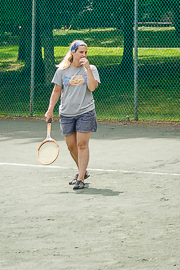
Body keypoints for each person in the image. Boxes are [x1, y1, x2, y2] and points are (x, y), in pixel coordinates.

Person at [45, 40, 100, 190]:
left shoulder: (92, 68)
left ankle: (80, 178)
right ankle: (83, 171)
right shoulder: (62, 70)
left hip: (85, 112)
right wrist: (50, 109)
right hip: (66, 113)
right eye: (81, 52)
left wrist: (87, 68)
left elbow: (92, 87)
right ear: (73, 52)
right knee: (71, 147)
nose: (84, 55)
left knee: (82, 144)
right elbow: (56, 91)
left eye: (86, 52)